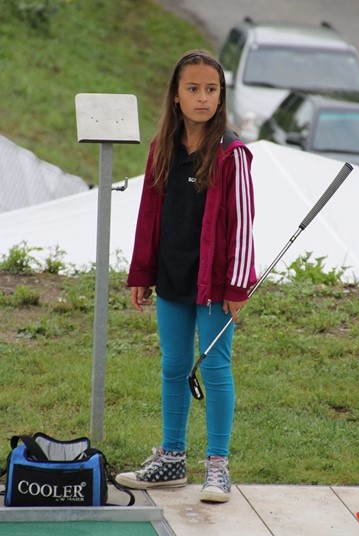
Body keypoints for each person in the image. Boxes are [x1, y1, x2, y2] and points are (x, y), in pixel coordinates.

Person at [116, 49, 256, 503]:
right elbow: (148, 215)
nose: (202, 98)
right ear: (176, 95)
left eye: (211, 89)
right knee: (174, 365)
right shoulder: (162, 148)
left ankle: (217, 465)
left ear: (221, 96)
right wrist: (142, 271)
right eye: (192, 89)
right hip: (173, 276)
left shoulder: (232, 154)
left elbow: (243, 223)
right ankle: (172, 458)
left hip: (215, 284)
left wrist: (238, 285)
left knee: (214, 367)